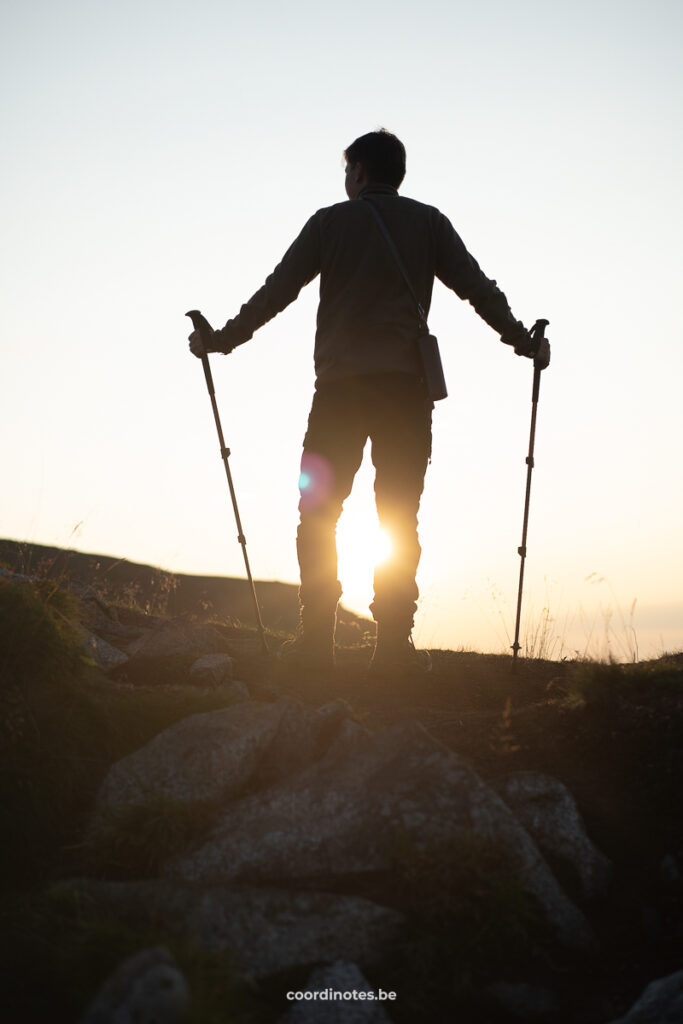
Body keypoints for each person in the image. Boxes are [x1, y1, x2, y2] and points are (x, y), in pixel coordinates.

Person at [189, 129, 550, 675]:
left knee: (318, 513)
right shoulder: (429, 223)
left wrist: (222, 340)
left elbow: (276, 291)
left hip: (338, 392)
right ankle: (394, 650)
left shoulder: (329, 223)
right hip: (406, 393)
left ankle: (315, 643)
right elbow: (477, 288)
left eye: (345, 170)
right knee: (400, 516)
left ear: (357, 172)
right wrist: (524, 339)